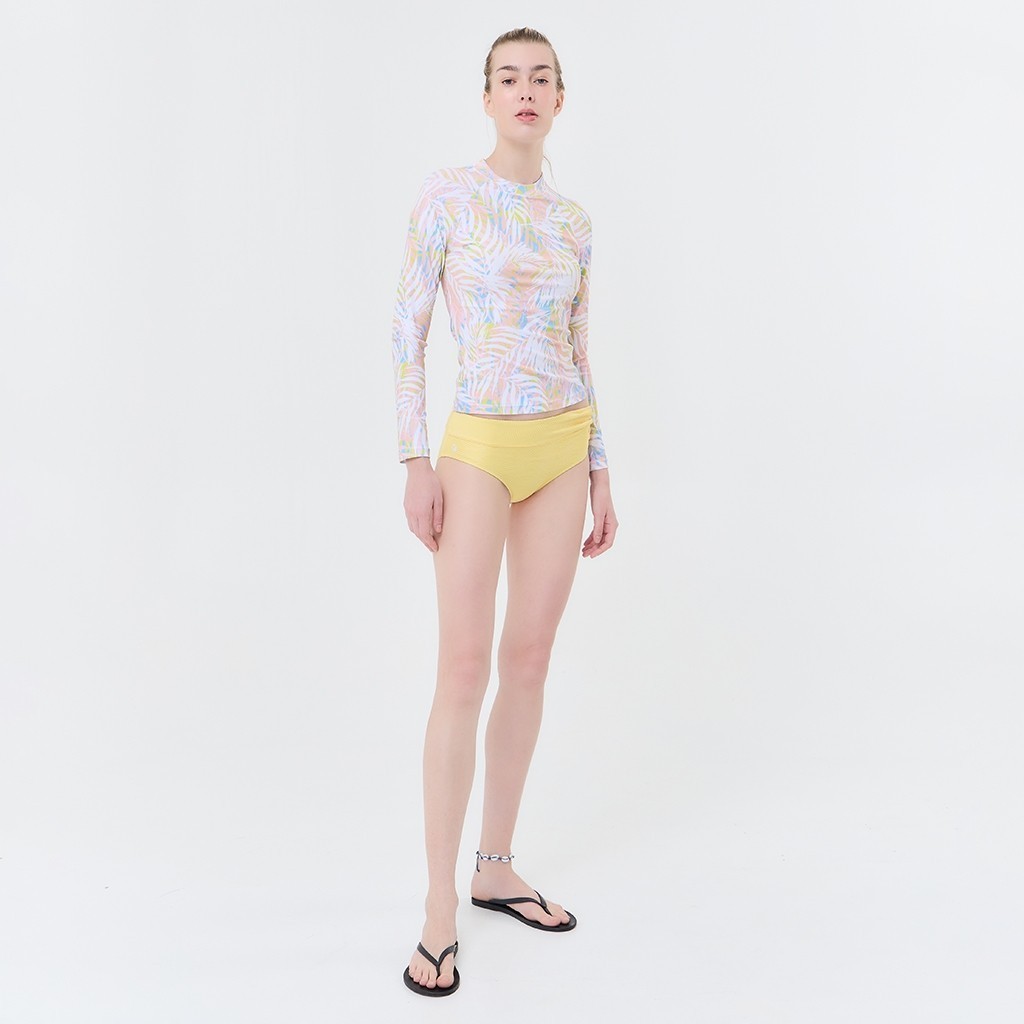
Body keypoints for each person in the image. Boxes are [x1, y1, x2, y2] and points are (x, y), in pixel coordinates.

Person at [392, 26, 619, 997]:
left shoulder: (573, 221)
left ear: (560, 100)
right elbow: (406, 329)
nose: (526, 91)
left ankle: (495, 867)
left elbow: (578, 343)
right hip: (478, 447)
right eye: (509, 78)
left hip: (561, 445)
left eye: (542, 79)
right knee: (463, 666)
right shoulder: (448, 195)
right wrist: (415, 457)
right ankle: (438, 907)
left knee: (528, 660)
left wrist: (600, 467)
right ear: (487, 97)